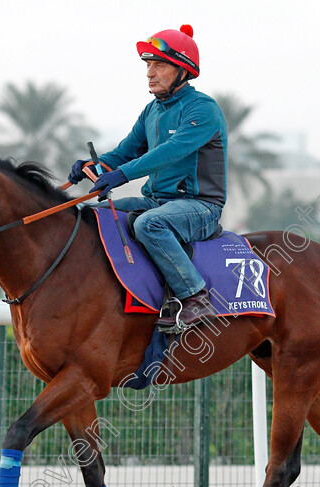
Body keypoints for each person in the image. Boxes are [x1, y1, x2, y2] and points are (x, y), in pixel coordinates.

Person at [69, 24, 228, 330]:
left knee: (149, 224)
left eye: (159, 65)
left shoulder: (204, 110)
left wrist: (121, 175)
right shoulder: (152, 111)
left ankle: (195, 297)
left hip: (200, 207)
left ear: (183, 70)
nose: (149, 73)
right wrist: (95, 166)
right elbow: (125, 151)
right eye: (148, 65)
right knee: (89, 215)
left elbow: (169, 151)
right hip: (156, 201)